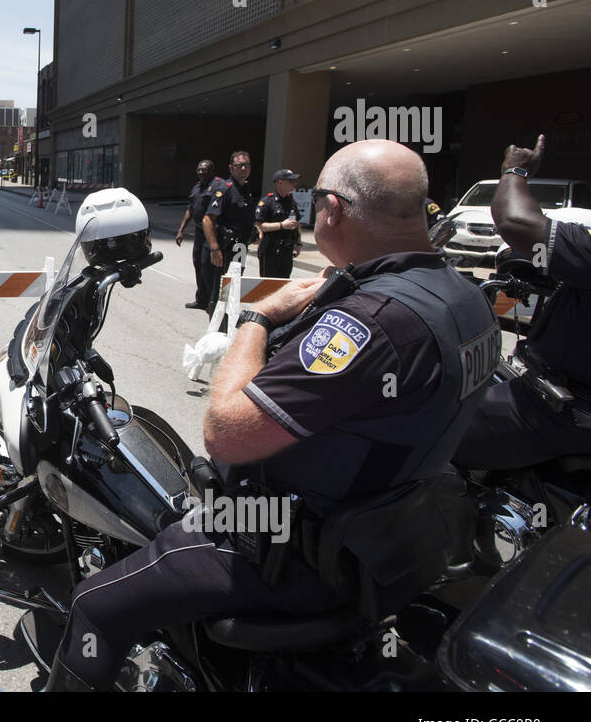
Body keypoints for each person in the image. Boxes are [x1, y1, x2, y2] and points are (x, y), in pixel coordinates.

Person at [46, 139, 498, 690]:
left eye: (314, 203)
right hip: (393, 539)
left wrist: (256, 321)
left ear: (331, 209)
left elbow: (225, 434)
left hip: (286, 550)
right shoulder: (463, 297)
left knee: (95, 604)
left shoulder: (369, 322)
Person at [454, 134, 591, 466]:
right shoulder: (551, 287)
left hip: (560, 410)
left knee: (434, 429)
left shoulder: (581, 253)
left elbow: (515, 222)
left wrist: (516, 169)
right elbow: (512, 300)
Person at [201, 151, 257, 316]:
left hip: (240, 248)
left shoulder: (245, 189)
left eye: (247, 165)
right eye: (240, 165)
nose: (244, 168)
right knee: (220, 292)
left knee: (234, 288)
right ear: (231, 168)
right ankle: (216, 331)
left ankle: (229, 324)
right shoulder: (225, 189)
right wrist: (214, 249)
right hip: (225, 249)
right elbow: (208, 220)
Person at [175, 159, 217, 309]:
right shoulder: (196, 188)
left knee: (207, 267)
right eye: (199, 169)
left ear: (211, 170)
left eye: (204, 169)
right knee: (198, 264)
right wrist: (181, 230)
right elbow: (190, 210)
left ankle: (213, 301)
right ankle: (201, 300)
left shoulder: (218, 187)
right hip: (199, 232)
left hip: (212, 233)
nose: (200, 172)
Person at [255, 169, 303, 278]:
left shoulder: (291, 201)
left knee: (283, 284)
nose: (294, 184)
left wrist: (298, 243)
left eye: (294, 181)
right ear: (279, 183)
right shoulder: (268, 201)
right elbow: (260, 226)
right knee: (268, 285)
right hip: (270, 250)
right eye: (291, 181)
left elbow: (297, 224)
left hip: (286, 250)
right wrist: (281, 225)